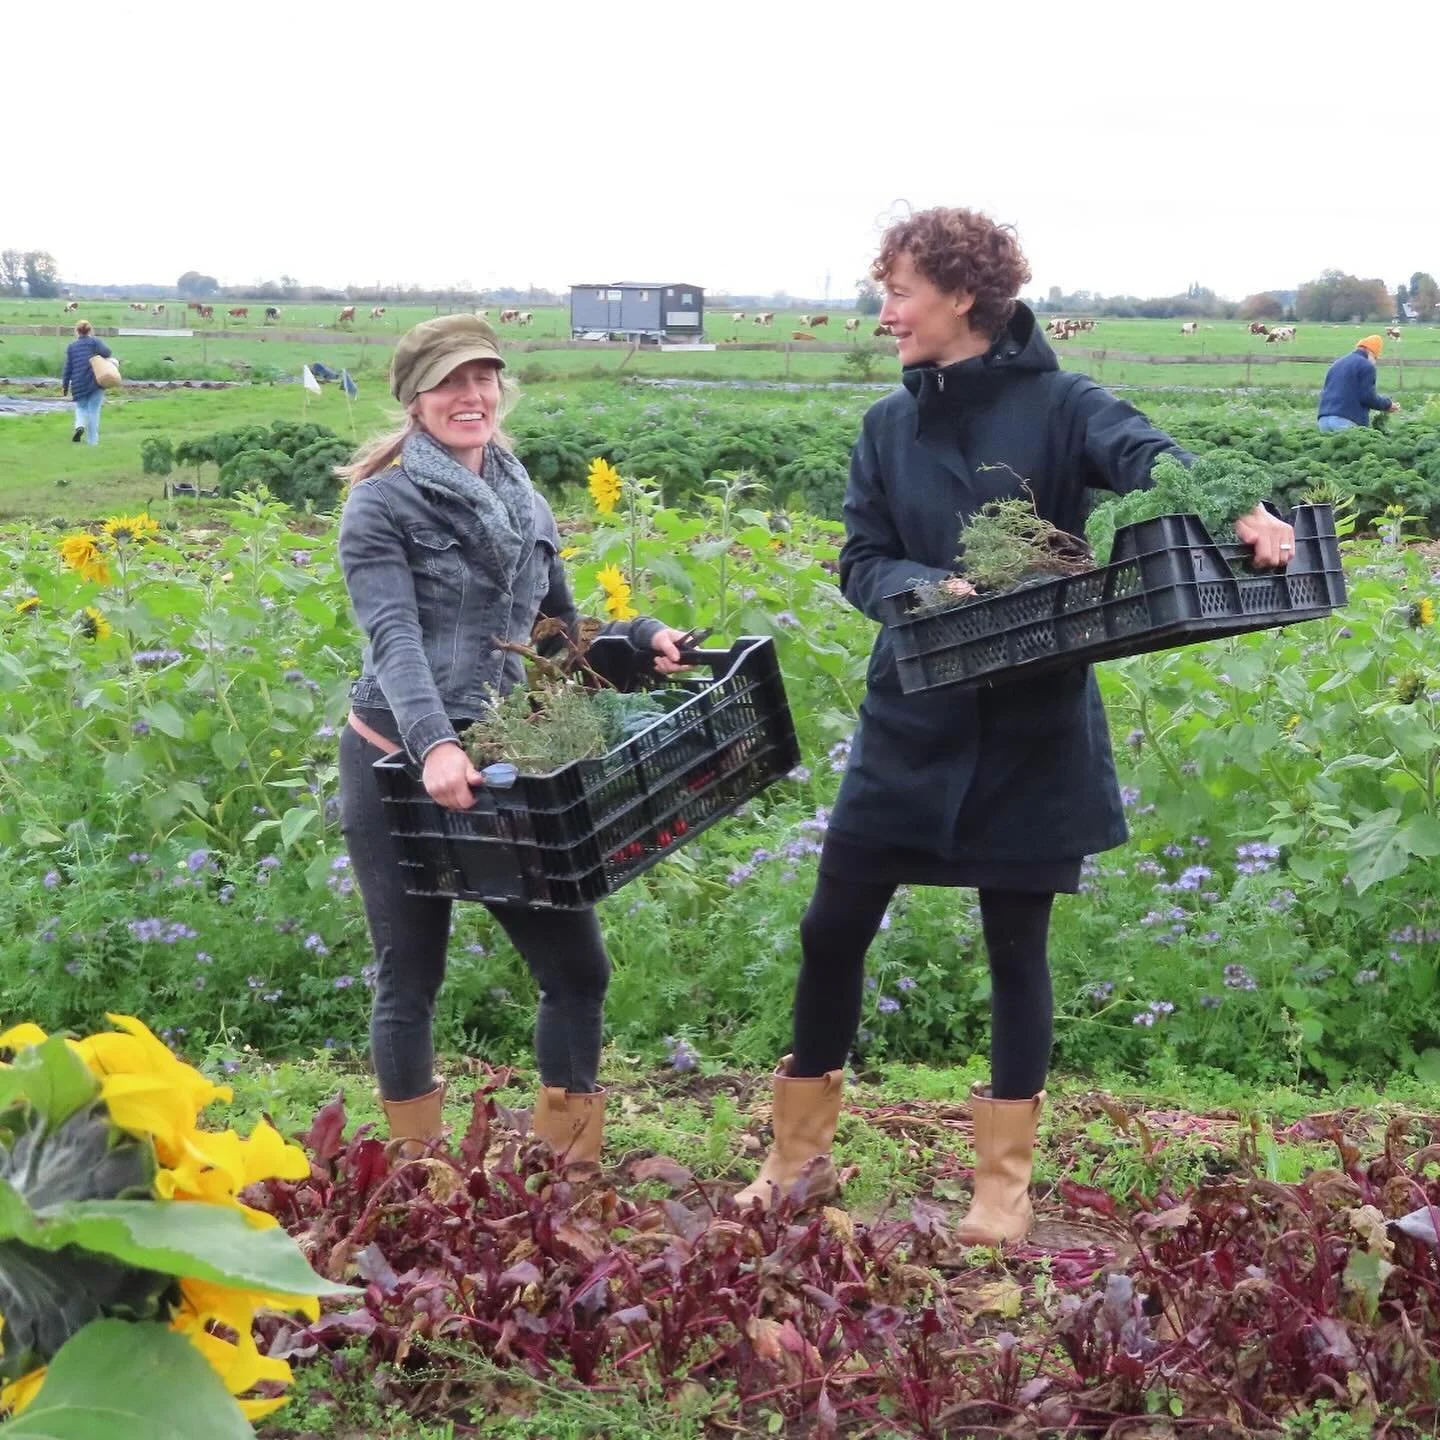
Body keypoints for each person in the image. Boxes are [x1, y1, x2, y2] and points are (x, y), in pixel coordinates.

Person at [735, 207, 1296, 1241]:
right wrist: (924, 586)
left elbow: (1152, 458)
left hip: (1035, 717)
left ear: (962, 295)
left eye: (900, 291)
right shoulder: (884, 428)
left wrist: (1241, 513)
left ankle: (1001, 1189)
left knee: (1015, 947)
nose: (885, 312)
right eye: (885, 291)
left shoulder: (1063, 403)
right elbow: (860, 560)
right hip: (914, 710)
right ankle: (796, 1158)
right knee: (832, 928)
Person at [337, 314, 692, 1164]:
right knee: (410, 978)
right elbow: (396, 644)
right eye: (450, 383)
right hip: (397, 760)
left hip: (501, 762)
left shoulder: (520, 492)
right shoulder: (380, 505)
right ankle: (416, 1175)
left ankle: (564, 1170)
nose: (472, 396)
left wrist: (638, 637)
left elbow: (554, 627)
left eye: (483, 379)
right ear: (416, 400)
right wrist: (433, 747)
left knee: (577, 971)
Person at [1317, 335, 1400, 432]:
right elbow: (1368, 397)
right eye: (1375, 357)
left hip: (1324, 420)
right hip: (1346, 420)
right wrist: (1387, 405)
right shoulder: (1366, 365)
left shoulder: (1337, 363)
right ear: (1371, 351)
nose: (1375, 361)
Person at [59, 320, 114, 445]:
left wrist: (65, 386)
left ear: (77, 331)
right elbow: (107, 352)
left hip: (78, 383)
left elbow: (68, 368)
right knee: (93, 411)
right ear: (90, 330)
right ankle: (92, 441)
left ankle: (79, 426)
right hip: (95, 383)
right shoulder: (94, 342)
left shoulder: (71, 347)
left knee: (81, 408)